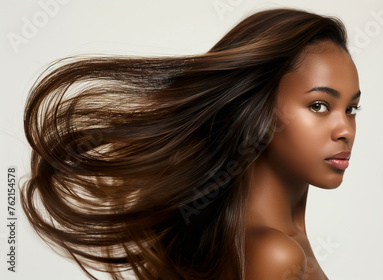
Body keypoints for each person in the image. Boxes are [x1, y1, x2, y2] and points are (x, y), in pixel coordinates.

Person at [22, 7, 361, 280]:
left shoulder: (278, 238)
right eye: (319, 106)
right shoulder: (272, 253)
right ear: (260, 109)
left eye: (351, 108)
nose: (344, 128)